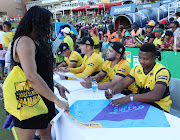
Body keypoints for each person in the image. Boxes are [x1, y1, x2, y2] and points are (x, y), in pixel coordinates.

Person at [10, 6, 69, 140]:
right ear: (37, 23)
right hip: (29, 98)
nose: (49, 28)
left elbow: (41, 72)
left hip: (43, 96)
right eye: (47, 24)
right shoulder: (25, 41)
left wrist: (55, 84)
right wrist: (56, 100)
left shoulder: (37, 40)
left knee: (46, 133)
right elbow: (31, 75)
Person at [105, 43, 172, 113]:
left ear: (154, 58)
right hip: (143, 104)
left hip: (159, 108)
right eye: (140, 58)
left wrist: (130, 98)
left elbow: (157, 95)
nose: (141, 61)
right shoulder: (136, 68)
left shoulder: (162, 71)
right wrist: (113, 91)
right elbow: (123, 83)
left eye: (145, 59)